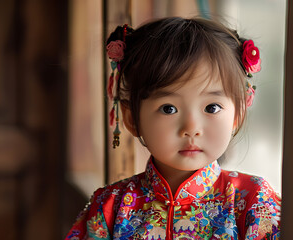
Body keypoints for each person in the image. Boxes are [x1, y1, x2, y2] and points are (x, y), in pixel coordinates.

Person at [65, 17, 281, 240]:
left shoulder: (255, 201)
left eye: (212, 107)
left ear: (237, 114)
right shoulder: (109, 207)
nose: (191, 128)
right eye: (168, 108)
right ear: (132, 118)